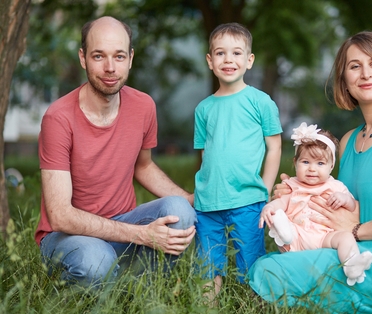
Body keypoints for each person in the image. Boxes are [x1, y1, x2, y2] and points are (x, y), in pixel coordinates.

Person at [248, 31, 372, 314]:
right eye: (354, 66)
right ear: (344, 78)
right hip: (347, 249)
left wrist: (357, 230)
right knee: (270, 265)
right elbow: (331, 196)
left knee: (268, 271)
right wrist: (295, 191)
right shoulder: (348, 142)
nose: (365, 74)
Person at [35, 16, 197, 288]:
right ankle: (89, 286)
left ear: (130, 58)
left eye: (119, 56)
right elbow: (60, 215)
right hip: (66, 236)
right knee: (96, 262)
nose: (110, 68)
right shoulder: (58, 118)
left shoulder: (143, 106)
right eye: (99, 56)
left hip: (123, 223)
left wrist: (190, 199)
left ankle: (144, 293)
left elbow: (143, 165)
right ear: (83, 58)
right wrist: (142, 235)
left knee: (180, 212)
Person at [193, 22, 282, 299]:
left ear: (249, 60)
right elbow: (204, 153)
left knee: (251, 259)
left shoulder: (261, 102)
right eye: (220, 53)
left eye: (236, 53)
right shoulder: (203, 108)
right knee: (208, 262)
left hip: (247, 199)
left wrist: (265, 190)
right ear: (210, 61)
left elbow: (274, 147)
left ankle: (252, 308)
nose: (228, 60)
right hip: (208, 202)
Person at [259, 122, 372, 286]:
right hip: (296, 236)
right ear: (295, 162)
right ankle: (283, 231)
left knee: (345, 237)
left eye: (320, 163)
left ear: (331, 166)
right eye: (305, 162)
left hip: (324, 237)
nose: (312, 169)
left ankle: (352, 265)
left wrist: (345, 200)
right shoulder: (292, 185)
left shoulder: (336, 187)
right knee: (279, 217)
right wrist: (270, 207)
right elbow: (281, 202)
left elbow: (353, 207)